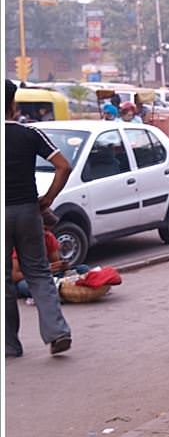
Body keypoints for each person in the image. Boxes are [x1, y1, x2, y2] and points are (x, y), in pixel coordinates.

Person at [5, 79, 73, 357]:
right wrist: (47, 199)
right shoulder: (29, 134)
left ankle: (10, 345)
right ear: (13, 104)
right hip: (28, 211)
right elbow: (63, 166)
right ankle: (57, 333)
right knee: (39, 273)